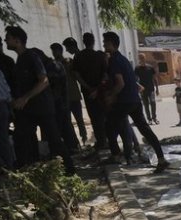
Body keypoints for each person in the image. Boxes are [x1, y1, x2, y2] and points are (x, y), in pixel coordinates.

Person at [4, 26, 75, 174]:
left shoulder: (31, 56)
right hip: (28, 109)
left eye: (8, 38)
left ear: (17, 41)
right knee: (22, 138)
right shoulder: (20, 60)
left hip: (42, 107)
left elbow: (44, 81)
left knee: (54, 140)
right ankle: (30, 169)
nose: (5, 41)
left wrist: (25, 98)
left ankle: (70, 170)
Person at [100, 31, 168, 172]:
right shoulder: (124, 59)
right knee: (144, 129)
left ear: (111, 44)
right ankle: (161, 159)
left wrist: (110, 96)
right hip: (135, 100)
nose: (103, 44)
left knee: (109, 126)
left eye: (105, 42)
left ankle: (117, 156)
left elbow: (120, 83)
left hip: (124, 101)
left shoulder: (114, 61)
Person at [72, 32, 108, 151]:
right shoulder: (99, 56)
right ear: (93, 42)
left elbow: (77, 75)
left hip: (88, 92)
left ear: (83, 42)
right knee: (103, 116)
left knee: (94, 117)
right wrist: (98, 88)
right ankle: (106, 140)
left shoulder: (78, 57)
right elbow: (105, 74)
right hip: (100, 91)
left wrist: (88, 87)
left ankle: (101, 141)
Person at [49, 42, 80, 154]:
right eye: (53, 51)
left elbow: (75, 75)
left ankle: (79, 142)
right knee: (67, 122)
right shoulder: (53, 65)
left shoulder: (68, 62)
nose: (54, 53)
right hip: (64, 98)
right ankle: (74, 144)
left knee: (78, 120)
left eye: (55, 51)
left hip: (72, 95)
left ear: (60, 51)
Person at [61, 37, 88, 145]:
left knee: (78, 119)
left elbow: (78, 76)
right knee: (77, 119)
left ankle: (83, 139)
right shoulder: (74, 59)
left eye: (67, 47)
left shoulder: (76, 59)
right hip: (75, 94)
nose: (67, 50)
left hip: (77, 94)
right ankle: (83, 139)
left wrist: (86, 86)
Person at [134, 54, 158, 124]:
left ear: (145, 58)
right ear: (139, 59)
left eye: (142, 58)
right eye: (140, 58)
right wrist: (139, 87)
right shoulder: (137, 68)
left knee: (153, 103)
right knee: (146, 105)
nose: (141, 59)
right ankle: (149, 119)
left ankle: (154, 118)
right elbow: (134, 79)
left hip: (151, 89)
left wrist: (157, 88)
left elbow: (154, 78)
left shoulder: (150, 67)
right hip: (143, 90)